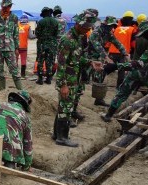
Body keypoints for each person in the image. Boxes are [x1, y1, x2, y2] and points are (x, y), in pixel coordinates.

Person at [54, 10, 102, 147]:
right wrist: (63, 85)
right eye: (86, 27)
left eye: (89, 28)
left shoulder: (78, 39)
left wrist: (90, 62)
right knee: (66, 108)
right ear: (78, 25)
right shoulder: (67, 40)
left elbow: (77, 58)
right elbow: (61, 64)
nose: (88, 30)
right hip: (67, 81)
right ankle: (62, 137)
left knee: (63, 108)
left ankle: (56, 134)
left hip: (73, 79)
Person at [102, 22, 148, 122]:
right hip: (139, 72)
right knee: (123, 91)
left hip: (140, 71)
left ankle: (108, 115)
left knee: (122, 92)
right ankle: (108, 115)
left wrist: (116, 66)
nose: (144, 38)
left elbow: (138, 63)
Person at [87, 16, 127, 106]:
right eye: (110, 25)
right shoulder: (96, 32)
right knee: (84, 75)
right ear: (104, 24)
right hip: (89, 56)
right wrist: (106, 57)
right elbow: (96, 45)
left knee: (100, 74)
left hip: (99, 58)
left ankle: (98, 99)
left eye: (113, 26)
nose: (111, 27)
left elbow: (117, 42)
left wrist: (125, 53)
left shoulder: (108, 33)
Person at [0, 0, 22, 91]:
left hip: (10, 48)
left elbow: (16, 34)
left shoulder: (14, 18)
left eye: (7, 7)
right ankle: (2, 92)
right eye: (3, 7)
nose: (5, 9)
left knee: (15, 71)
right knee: (0, 72)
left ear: (10, 6)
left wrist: (17, 48)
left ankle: (21, 92)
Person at [108, 11, 136, 88]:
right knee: (121, 71)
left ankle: (99, 83)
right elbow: (133, 44)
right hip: (123, 53)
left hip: (112, 51)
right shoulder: (132, 29)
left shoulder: (117, 28)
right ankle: (118, 87)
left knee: (107, 68)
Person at [35, 7, 59, 85]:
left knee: (40, 60)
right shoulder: (55, 22)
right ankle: (48, 79)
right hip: (52, 44)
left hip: (42, 43)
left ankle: (40, 79)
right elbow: (56, 34)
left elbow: (37, 33)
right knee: (50, 61)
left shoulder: (41, 22)